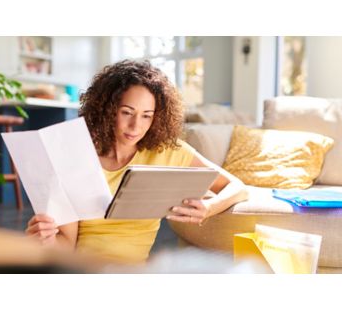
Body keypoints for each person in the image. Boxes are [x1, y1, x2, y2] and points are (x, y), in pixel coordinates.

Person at [26, 60, 248, 264]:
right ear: (107, 110)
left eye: (147, 115)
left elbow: (237, 187)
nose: (135, 127)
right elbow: (67, 246)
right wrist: (47, 240)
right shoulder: (76, 156)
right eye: (127, 112)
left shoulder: (168, 152)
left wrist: (209, 208)